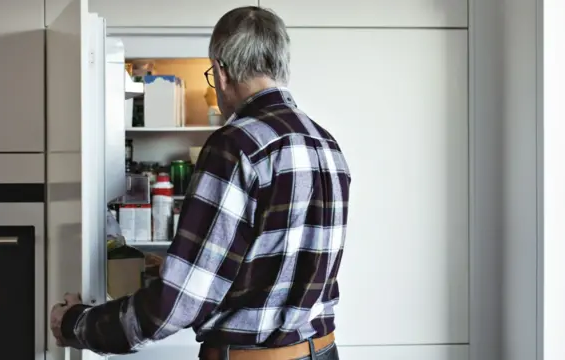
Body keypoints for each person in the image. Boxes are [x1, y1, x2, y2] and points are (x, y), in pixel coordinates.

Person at [50, 6, 351, 360]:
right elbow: (278, 268)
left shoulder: (235, 144)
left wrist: (77, 324)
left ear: (221, 72)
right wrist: (176, 267)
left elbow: (177, 304)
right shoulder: (326, 144)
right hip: (323, 350)